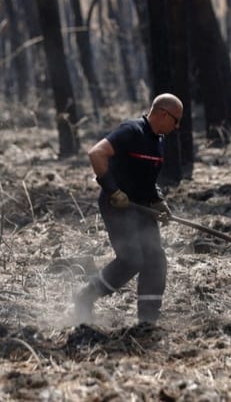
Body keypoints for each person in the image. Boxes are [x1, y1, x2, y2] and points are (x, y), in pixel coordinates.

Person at [74, 93, 183, 325]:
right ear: (163, 113)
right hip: (118, 206)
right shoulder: (131, 131)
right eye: (176, 120)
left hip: (141, 207)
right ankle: (85, 297)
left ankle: (147, 321)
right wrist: (113, 190)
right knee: (131, 260)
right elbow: (97, 154)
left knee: (155, 259)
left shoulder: (158, 141)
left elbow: (146, 177)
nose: (178, 126)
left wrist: (158, 200)